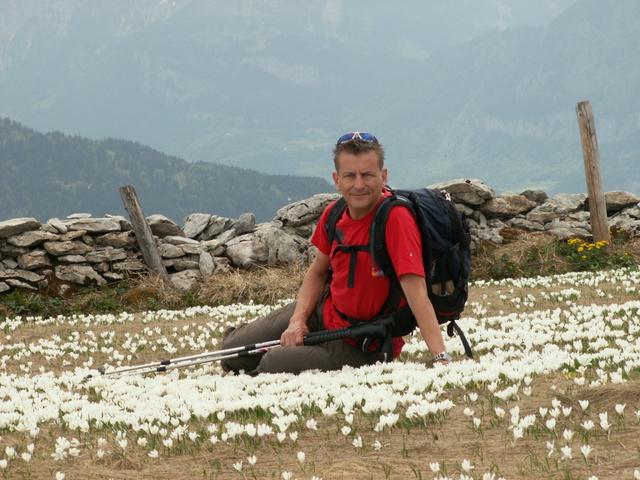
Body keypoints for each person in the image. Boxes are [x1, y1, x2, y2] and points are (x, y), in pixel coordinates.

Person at [221, 132, 451, 374]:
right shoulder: (334, 213)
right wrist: (298, 320)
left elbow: (416, 293)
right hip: (324, 313)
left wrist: (440, 356)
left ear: (383, 176)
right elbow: (318, 272)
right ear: (337, 179)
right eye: (350, 176)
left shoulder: (395, 219)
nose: (359, 184)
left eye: (368, 175)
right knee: (232, 350)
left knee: (272, 363)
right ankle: (252, 356)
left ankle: (273, 362)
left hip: (363, 342)